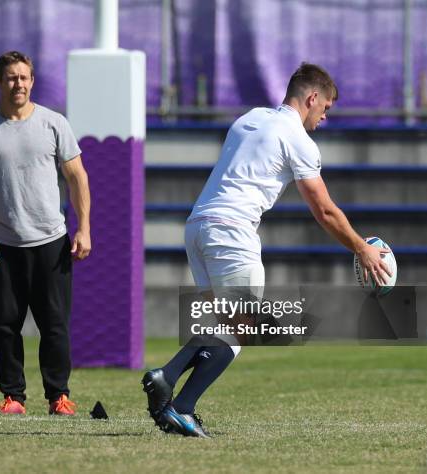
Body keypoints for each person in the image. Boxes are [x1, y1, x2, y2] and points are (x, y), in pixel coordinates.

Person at [141, 63, 391, 437]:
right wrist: (362, 249)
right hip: (233, 232)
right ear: (311, 98)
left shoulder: (250, 118)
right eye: (326, 107)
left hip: (198, 228)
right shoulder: (298, 140)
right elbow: (323, 210)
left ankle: (175, 401)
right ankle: (176, 393)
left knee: (221, 326)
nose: (325, 116)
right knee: (242, 329)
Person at [0, 51, 91, 416]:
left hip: (51, 242)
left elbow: (77, 176)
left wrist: (85, 228)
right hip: (2, 245)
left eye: (24, 77)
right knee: (5, 326)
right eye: (11, 78)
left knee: (55, 327)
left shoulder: (53, 123)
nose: (18, 83)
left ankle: (58, 396)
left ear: (32, 81)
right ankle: (13, 396)